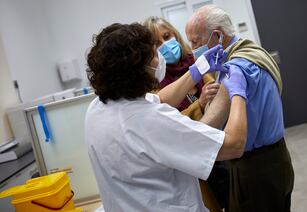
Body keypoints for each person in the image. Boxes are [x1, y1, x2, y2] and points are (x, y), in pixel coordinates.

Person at [85, 22, 248, 212]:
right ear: (138, 70)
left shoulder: (98, 107)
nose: (160, 57)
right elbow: (234, 145)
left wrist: (197, 70)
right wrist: (237, 93)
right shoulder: (149, 121)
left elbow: (160, 98)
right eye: (154, 54)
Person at [185, 5, 295, 212]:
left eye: (195, 41)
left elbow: (209, 124)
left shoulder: (235, 68)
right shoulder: (253, 51)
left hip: (254, 169)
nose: (192, 50)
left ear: (217, 35)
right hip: (277, 159)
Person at [143, 16, 225, 211]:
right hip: (194, 157)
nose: (165, 45)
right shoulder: (154, 84)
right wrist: (201, 103)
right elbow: (169, 123)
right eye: (156, 43)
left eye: (166, 36)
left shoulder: (198, 61)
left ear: (175, 34)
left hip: (221, 143)